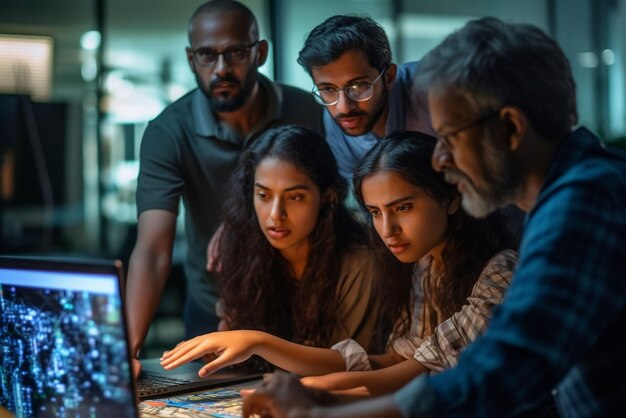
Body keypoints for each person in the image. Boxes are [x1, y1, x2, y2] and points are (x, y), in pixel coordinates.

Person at [242, 17, 626, 418]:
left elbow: (507, 368)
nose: (439, 160)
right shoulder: (573, 194)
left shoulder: (584, 203)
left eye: (449, 137)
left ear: (510, 127)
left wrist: (325, 414)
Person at [160, 132, 518, 395]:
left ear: (451, 199)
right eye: (376, 213)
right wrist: (262, 347)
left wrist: (314, 392)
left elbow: (409, 375)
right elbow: (392, 361)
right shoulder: (425, 266)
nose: (387, 229)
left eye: (403, 207)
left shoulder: (500, 272)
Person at [125, 0, 323, 375]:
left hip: (306, 297)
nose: (221, 69)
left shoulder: (308, 111)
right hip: (215, 307)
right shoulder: (168, 131)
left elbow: (336, 203)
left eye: (235, 53)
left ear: (259, 52)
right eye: (206, 55)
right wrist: (127, 348)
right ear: (190, 59)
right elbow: (152, 250)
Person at [163, 124, 380, 370]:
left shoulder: (358, 263)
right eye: (264, 196)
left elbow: (344, 365)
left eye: (294, 197)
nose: (276, 215)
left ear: (327, 197)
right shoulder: (246, 250)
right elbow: (234, 338)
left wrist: (257, 342)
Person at [297, 15, 433, 181]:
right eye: (328, 89)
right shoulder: (334, 119)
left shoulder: (434, 92)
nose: (343, 108)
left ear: (389, 77)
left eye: (357, 86)